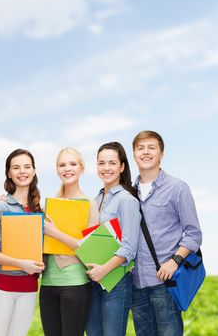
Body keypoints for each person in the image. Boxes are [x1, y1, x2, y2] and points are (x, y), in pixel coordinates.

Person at [131, 130, 203, 336]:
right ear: (134, 154)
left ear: (161, 154)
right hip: (136, 284)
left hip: (165, 283)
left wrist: (174, 262)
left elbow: (193, 234)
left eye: (151, 148)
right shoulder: (128, 193)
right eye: (140, 148)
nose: (146, 152)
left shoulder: (177, 188)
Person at [0, 149, 45, 336]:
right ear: (9, 173)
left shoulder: (41, 212)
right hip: (2, 286)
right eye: (16, 167)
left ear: (33, 171)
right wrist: (20, 263)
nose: (22, 171)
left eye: (27, 167)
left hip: (30, 287)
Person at [40, 147, 99, 336]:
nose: (67, 169)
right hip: (48, 284)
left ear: (82, 168)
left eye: (72, 164)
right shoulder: (49, 205)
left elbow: (90, 249)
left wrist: (55, 232)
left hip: (75, 284)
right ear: (57, 170)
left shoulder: (89, 204)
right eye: (62, 165)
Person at [85, 142, 141, 336]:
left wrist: (104, 270)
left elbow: (129, 248)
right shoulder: (94, 201)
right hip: (93, 281)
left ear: (122, 167)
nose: (106, 168)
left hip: (116, 283)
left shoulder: (127, 200)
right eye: (101, 163)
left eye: (112, 163)